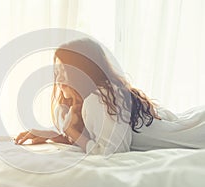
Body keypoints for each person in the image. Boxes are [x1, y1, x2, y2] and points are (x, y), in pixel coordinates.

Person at [15, 38, 205, 156]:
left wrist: (71, 131)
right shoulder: (72, 106)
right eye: (56, 71)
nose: (58, 78)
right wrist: (53, 135)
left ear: (82, 71)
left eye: (64, 70)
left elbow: (112, 150)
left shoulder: (101, 97)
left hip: (193, 132)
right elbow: (94, 136)